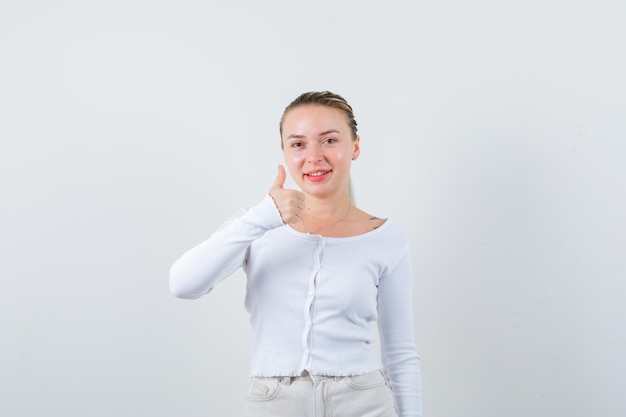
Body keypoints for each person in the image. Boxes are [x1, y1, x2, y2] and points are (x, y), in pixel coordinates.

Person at [169, 91, 422, 417]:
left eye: (329, 140)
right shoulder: (257, 226)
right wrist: (263, 217)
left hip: (364, 401)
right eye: (298, 144)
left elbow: (400, 353)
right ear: (286, 153)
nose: (314, 156)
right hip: (274, 401)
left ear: (355, 146)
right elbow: (183, 284)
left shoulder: (386, 239)